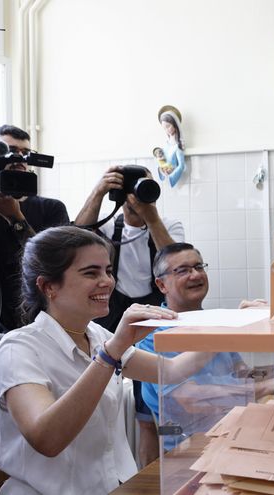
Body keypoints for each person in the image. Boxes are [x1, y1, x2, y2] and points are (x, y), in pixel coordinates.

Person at [0, 226, 211, 494]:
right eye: (91, 273)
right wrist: (111, 352)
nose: (107, 281)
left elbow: (172, 370)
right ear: (48, 286)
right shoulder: (19, 348)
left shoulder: (95, 334)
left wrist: (236, 327)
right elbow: (47, 439)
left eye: (107, 270)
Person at [0, 124, 69, 451]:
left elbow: (58, 264)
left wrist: (16, 217)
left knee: (42, 417)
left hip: (44, 330)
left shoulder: (49, 208)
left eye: (23, 154)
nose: (17, 160)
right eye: (7, 152)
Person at [74, 164, 183, 465]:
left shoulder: (168, 224)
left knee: (150, 412)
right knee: (103, 384)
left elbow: (173, 262)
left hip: (153, 310)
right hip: (111, 311)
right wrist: (98, 193)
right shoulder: (108, 227)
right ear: (120, 194)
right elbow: (75, 237)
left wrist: (151, 217)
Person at [135, 242, 265, 453]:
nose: (195, 275)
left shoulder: (214, 323)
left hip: (235, 438)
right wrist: (266, 387)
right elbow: (191, 399)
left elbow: (243, 374)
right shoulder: (153, 337)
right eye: (183, 271)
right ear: (161, 285)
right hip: (189, 454)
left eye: (199, 267)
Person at [157, 106, 185, 187]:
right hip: (166, 173)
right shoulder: (166, 144)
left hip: (173, 178)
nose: (167, 130)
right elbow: (162, 160)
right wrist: (162, 168)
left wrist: (171, 178)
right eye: (164, 128)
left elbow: (181, 166)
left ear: (175, 125)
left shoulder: (178, 145)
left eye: (168, 126)